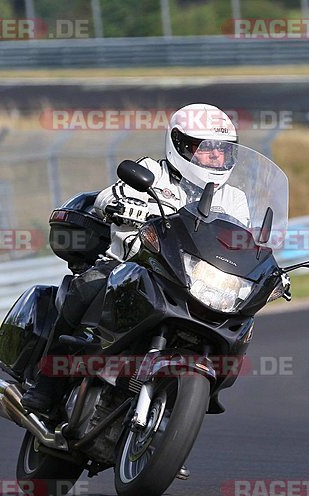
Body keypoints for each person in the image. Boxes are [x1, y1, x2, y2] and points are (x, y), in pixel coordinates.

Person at [22, 103, 250, 415]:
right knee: (89, 284)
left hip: (189, 281)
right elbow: (107, 198)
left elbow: (246, 241)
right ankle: (47, 384)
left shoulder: (235, 200)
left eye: (223, 150)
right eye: (206, 149)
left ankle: (187, 406)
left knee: (241, 317)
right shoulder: (153, 173)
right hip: (131, 267)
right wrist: (125, 206)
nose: (216, 157)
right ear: (180, 146)